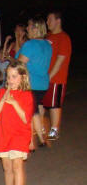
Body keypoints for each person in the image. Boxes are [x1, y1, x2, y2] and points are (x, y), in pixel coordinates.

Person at [0, 61, 33, 185]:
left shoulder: (26, 94)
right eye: (8, 77)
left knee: (17, 167)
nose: (11, 80)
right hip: (4, 135)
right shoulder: (2, 93)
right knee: (7, 168)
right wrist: (3, 99)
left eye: (14, 77)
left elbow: (25, 118)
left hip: (19, 136)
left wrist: (14, 103)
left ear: (22, 77)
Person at [16, 17, 52, 148]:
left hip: (31, 83)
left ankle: (32, 142)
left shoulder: (30, 45)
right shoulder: (47, 44)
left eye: (29, 26)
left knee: (30, 112)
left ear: (36, 28)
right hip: (43, 83)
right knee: (36, 110)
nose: (27, 29)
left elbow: (19, 63)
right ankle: (42, 139)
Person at [42, 11, 72, 140]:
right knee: (41, 103)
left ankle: (54, 129)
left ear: (58, 21)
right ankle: (41, 127)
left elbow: (60, 60)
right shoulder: (47, 36)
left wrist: (49, 76)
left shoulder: (63, 38)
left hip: (57, 78)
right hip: (43, 76)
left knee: (54, 104)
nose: (47, 22)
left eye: (50, 19)